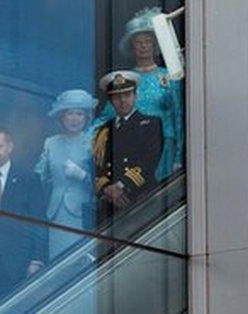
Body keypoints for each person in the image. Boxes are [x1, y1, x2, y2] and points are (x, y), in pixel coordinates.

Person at [95, 6, 183, 181]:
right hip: (130, 144)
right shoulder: (126, 80)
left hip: (163, 144)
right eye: (138, 42)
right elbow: (108, 115)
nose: (143, 46)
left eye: (148, 41)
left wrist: (179, 157)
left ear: (155, 44)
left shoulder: (169, 76)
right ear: (132, 46)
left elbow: (178, 115)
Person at [0, 127, 47, 314]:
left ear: (9, 147)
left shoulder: (28, 179)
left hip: (16, 261)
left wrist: (37, 259)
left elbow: (39, 221)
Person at [92, 71, 163, 223]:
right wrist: (107, 189)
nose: (123, 101)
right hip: (109, 203)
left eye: (127, 95)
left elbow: (149, 161)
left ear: (135, 96)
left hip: (140, 197)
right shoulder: (103, 130)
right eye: (117, 97)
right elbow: (97, 166)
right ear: (111, 100)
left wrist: (121, 186)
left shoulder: (151, 124)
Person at [35, 89, 98, 260]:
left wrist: (82, 175)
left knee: (79, 261)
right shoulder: (51, 142)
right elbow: (40, 175)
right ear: (62, 116)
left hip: (82, 213)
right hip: (56, 213)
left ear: (86, 118)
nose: (75, 119)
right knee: (57, 259)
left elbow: (102, 184)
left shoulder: (92, 143)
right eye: (70, 113)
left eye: (80, 114)